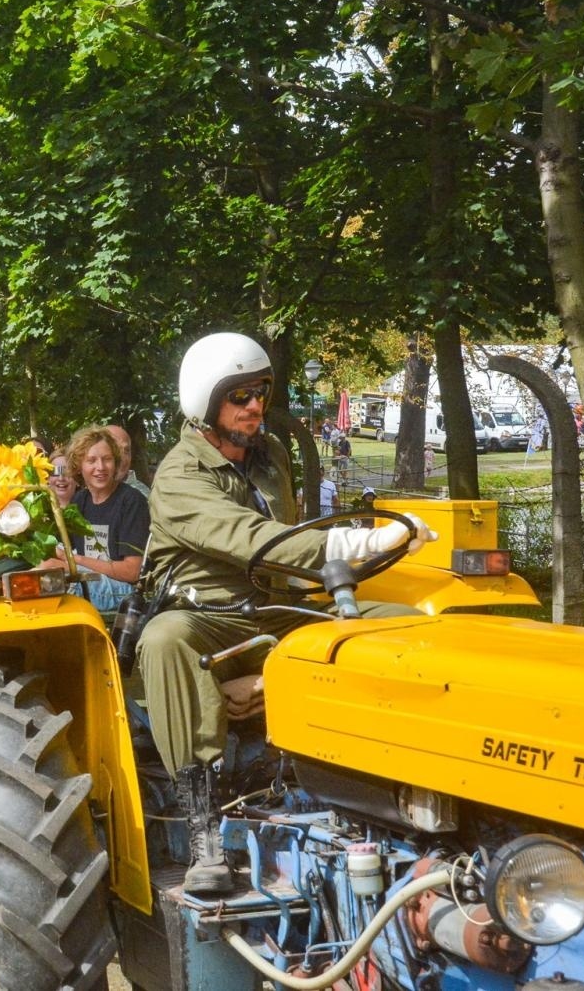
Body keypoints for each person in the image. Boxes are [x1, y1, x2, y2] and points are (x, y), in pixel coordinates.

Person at [138, 332, 435, 895]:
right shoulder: (179, 476)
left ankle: (403, 787)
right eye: (240, 395)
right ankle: (203, 825)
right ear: (205, 402)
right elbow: (256, 539)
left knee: (403, 624)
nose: (255, 405)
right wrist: (355, 542)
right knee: (164, 638)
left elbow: (290, 545)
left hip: (276, 610)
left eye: (261, 393)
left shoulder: (270, 455)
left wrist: (358, 563)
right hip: (208, 619)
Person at [59, 426, 149, 611]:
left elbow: (132, 572)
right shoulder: (79, 501)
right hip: (89, 577)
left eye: (107, 459)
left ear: (115, 463)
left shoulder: (131, 501)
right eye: (91, 460)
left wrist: (76, 560)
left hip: (126, 590)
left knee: (62, 583)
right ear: (78, 466)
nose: (100, 467)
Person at [106, 424, 151, 497]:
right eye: (115, 449)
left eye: (126, 451)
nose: (122, 456)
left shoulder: (139, 495)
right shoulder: (89, 491)